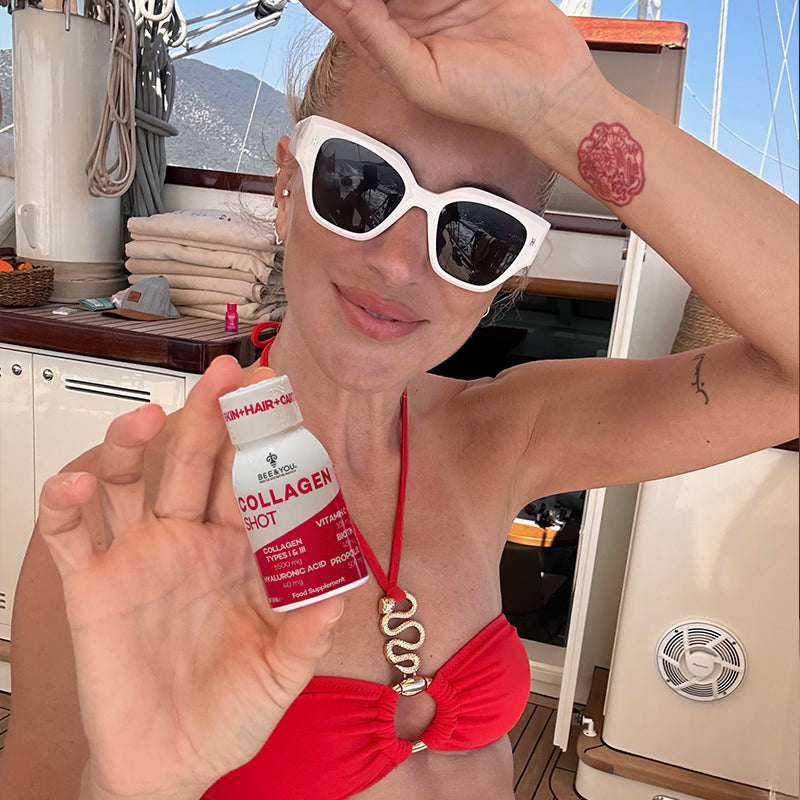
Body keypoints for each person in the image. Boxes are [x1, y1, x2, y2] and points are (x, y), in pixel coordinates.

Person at [2, 1, 797, 798]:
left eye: (476, 233)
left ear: (509, 271)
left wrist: (575, 108)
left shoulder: (503, 434)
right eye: (361, 182)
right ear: (287, 185)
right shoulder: (113, 522)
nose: (397, 263)